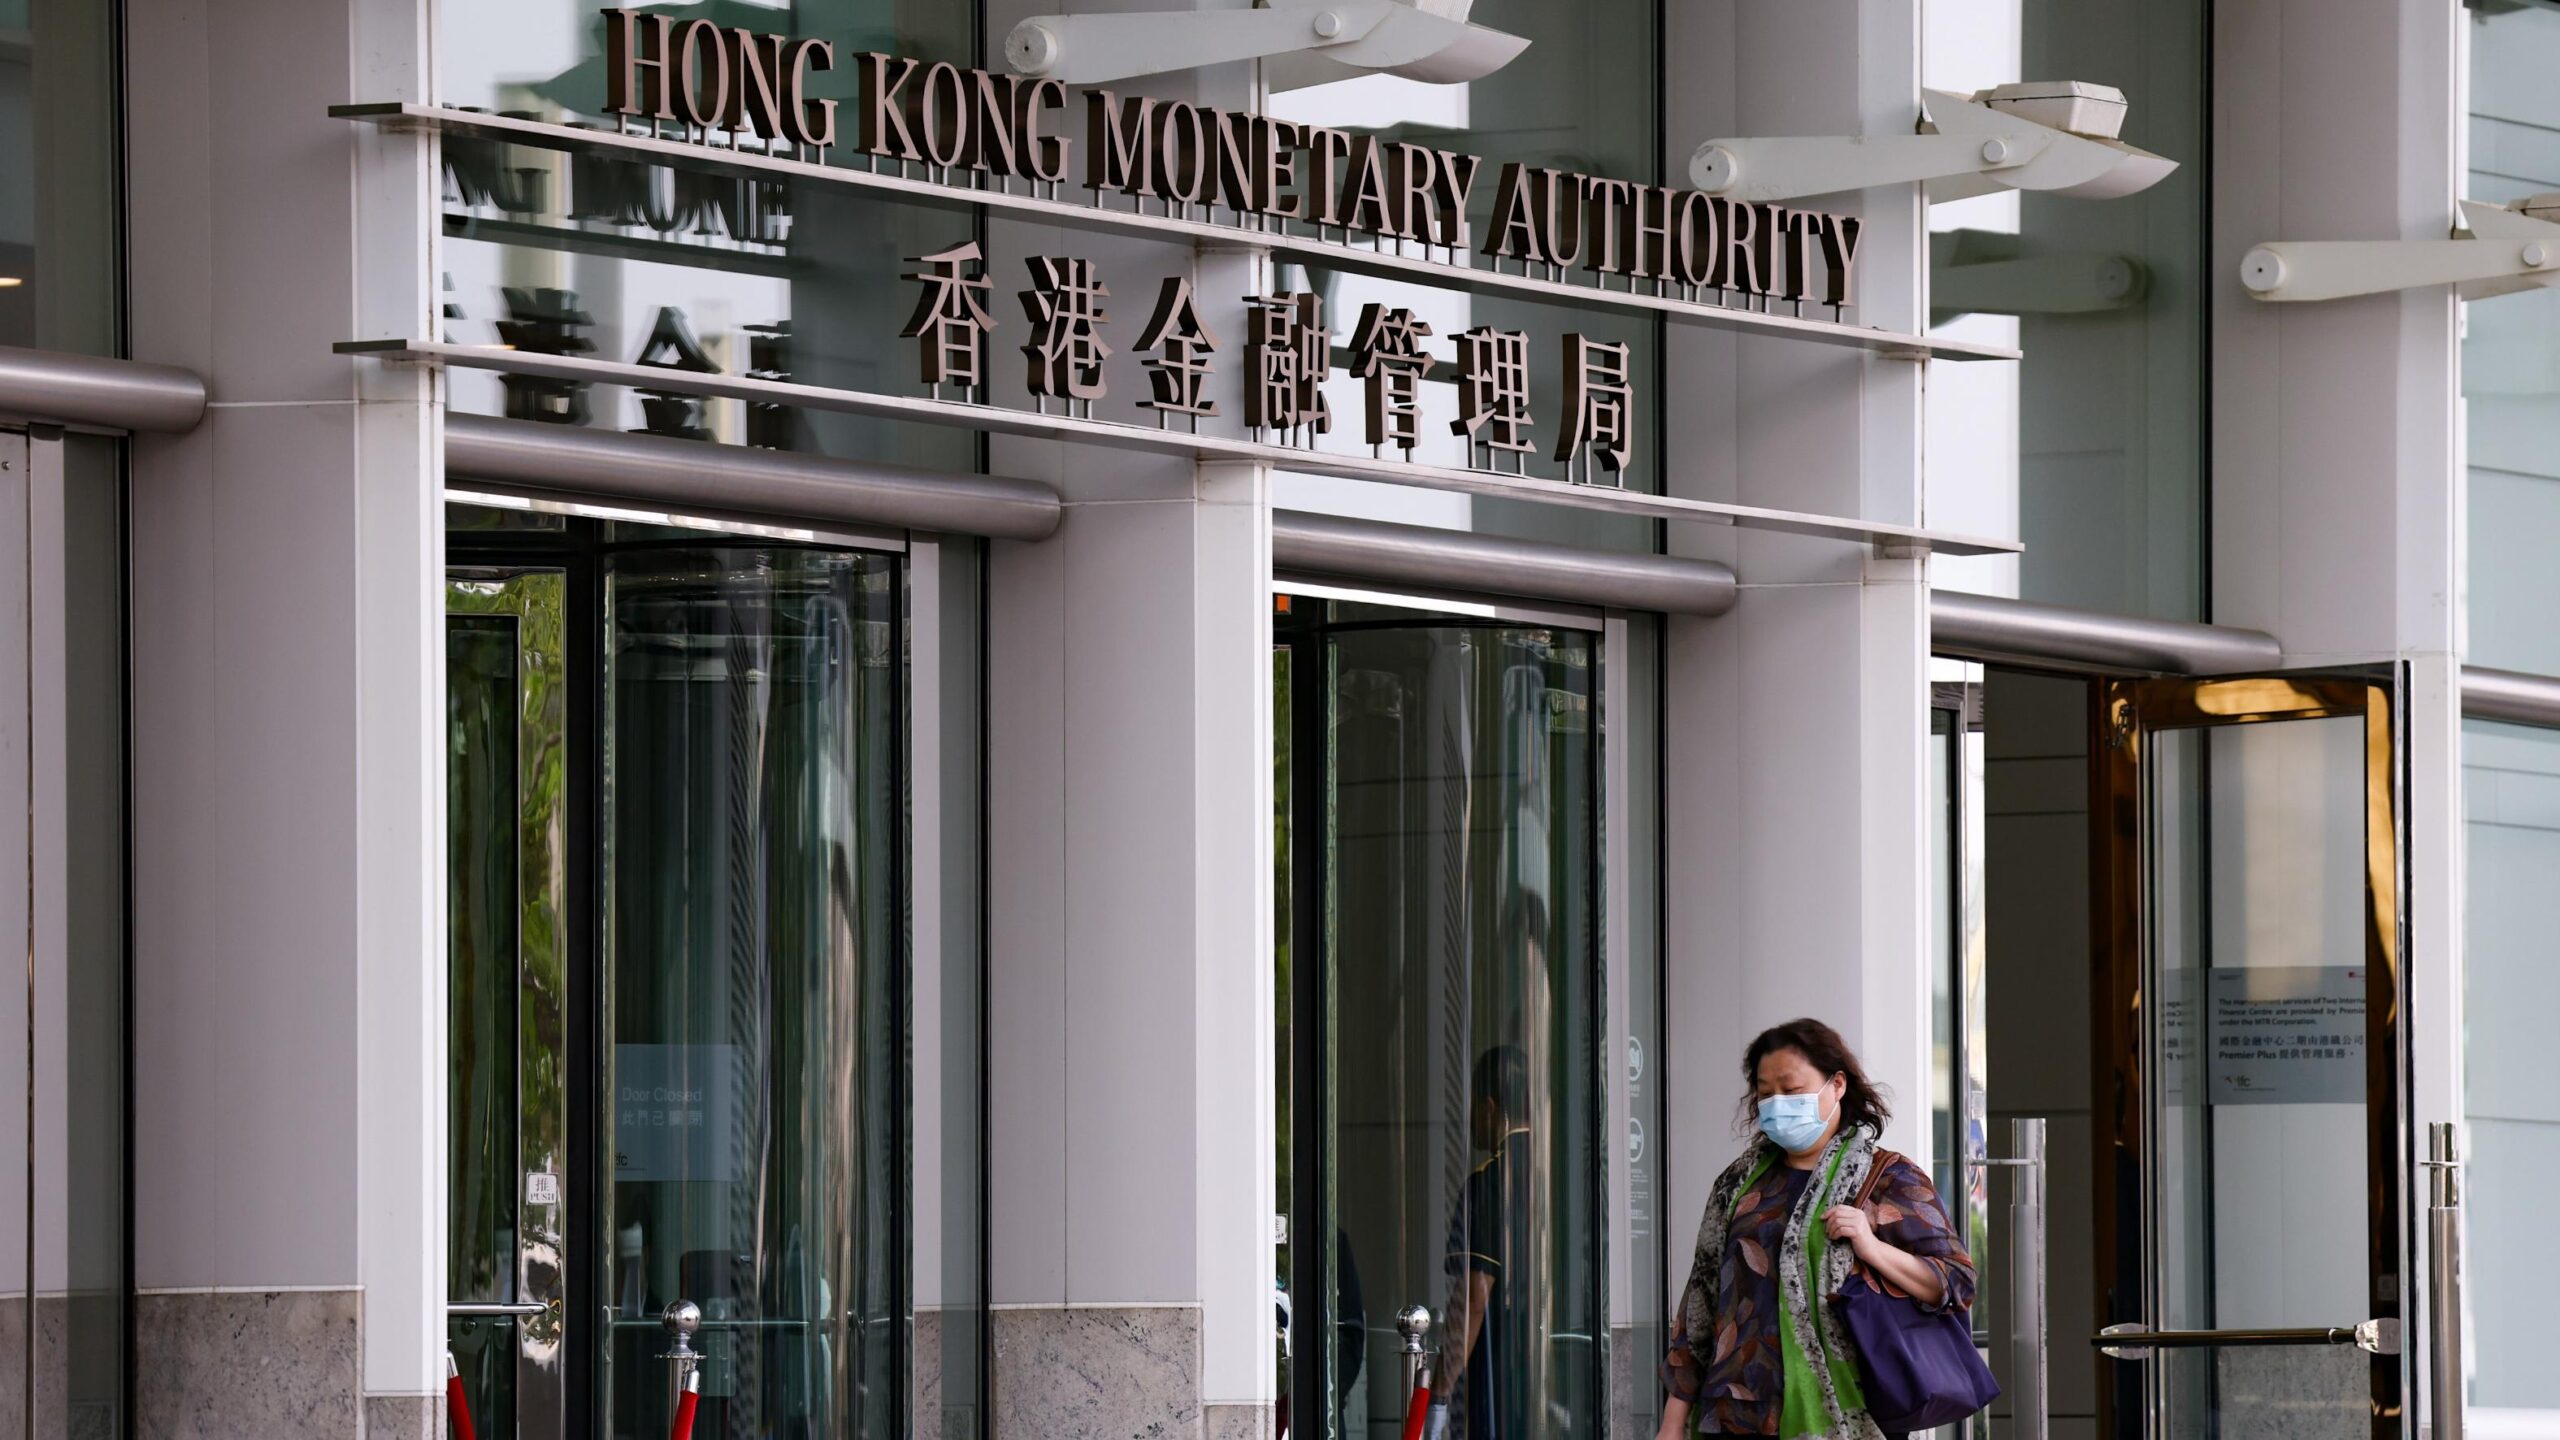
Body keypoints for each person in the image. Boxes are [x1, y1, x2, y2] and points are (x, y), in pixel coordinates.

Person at [1656, 1019, 1974, 1440]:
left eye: (1791, 1090)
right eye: (1766, 1094)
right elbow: (1700, 1303)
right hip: (1739, 1413)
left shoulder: (1887, 1179)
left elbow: (1955, 1281)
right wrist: (1672, 1423)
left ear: (1837, 1085)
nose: (1777, 1103)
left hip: (1849, 1416)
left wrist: (1870, 1245)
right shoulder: (1738, 1183)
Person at [1428, 1045, 1535, 1440]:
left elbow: (1473, 1299)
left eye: (1473, 1106)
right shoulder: (1558, 1176)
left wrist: (1439, 1393)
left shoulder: (1489, 1181)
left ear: (1490, 1108)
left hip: (1500, 1379)